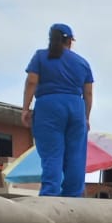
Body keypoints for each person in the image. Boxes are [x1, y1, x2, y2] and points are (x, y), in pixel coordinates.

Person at [22, 23, 93, 198]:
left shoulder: (41, 57)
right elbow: (88, 93)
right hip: (76, 107)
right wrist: (86, 117)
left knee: (52, 154)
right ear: (69, 41)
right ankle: (73, 196)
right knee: (76, 155)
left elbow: (31, 82)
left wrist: (25, 109)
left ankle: (50, 194)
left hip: (49, 106)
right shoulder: (82, 62)